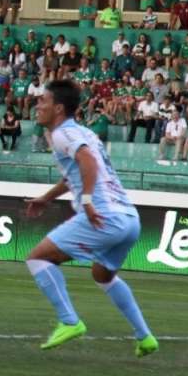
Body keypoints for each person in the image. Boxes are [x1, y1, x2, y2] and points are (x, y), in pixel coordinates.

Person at [23, 80, 157, 357]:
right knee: (102, 274)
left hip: (102, 216)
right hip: (129, 218)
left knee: (38, 258)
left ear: (58, 108)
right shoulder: (82, 132)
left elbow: (89, 162)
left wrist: (86, 201)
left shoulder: (62, 134)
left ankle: (69, 321)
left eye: (43, 101)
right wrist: (47, 198)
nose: (38, 105)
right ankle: (145, 337)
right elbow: (76, 171)